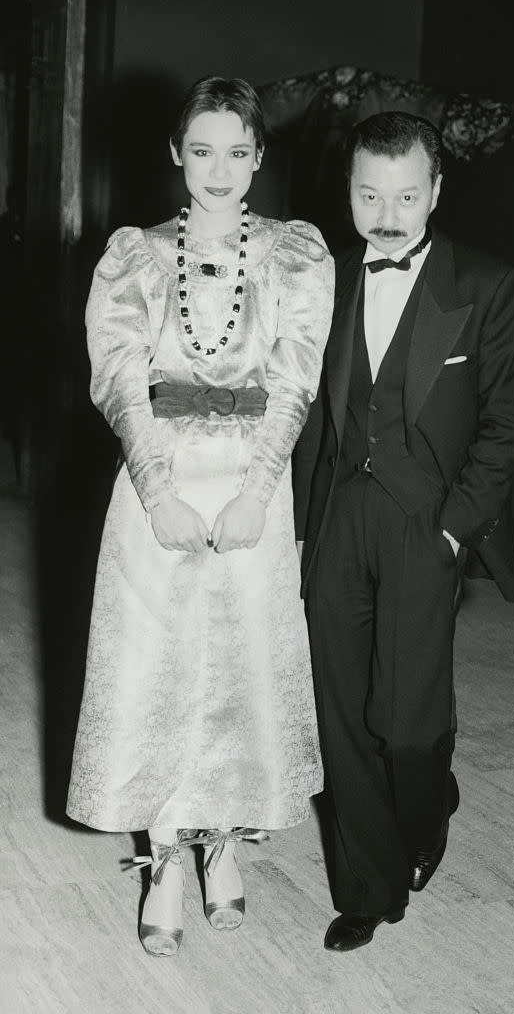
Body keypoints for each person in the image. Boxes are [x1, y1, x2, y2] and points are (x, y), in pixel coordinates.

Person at [67, 76, 334, 957]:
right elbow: (117, 378)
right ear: (176, 153)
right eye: (202, 149)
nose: (218, 169)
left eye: (237, 151)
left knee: (238, 666)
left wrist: (260, 492)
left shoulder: (295, 255)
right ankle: (166, 855)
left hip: (252, 482)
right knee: (159, 666)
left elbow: (296, 379)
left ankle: (224, 842)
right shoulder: (135, 256)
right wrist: (158, 491)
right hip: (161, 484)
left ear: (259, 159)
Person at [293, 111, 514, 952]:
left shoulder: (486, 284)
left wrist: (452, 531)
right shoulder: (322, 277)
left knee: (406, 721)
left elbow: (507, 423)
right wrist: (296, 527)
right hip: (337, 516)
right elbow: (310, 417)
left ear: (435, 189)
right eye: (368, 194)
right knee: (340, 713)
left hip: (427, 520)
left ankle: (428, 803)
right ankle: (367, 883)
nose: (386, 214)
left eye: (404, 194)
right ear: (350, 192)